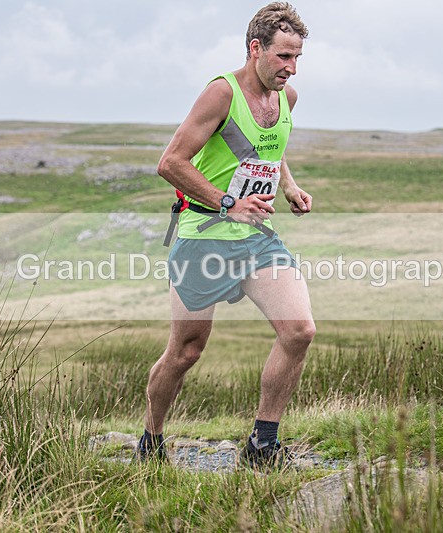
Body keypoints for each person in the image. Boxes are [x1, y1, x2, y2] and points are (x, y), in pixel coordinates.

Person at [139, 2, 314, 470]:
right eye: (282, 57)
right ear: (255, 48)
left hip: (257, 238)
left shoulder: (286, 98)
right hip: (203, 235)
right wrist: (228, 203)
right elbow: (170, 164)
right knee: (186, 351)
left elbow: (268, 150)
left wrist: (290, 187)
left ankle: (263, 444)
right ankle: (151, 438)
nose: (291, 68)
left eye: (297, 57)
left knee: (299, 331)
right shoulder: (220, 93)